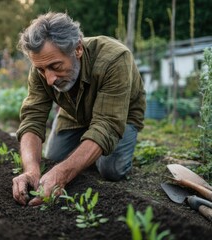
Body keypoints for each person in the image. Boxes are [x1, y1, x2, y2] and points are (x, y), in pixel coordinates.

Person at [12, 12, 146, 206]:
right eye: (42, 70)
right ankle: (87, 151)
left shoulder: (115, 59)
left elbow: (106, 124)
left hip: (119, 115)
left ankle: (94, 152)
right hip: (74, 114)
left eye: (55, 66)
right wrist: (31, 170)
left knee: (111, 169)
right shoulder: (42, 65)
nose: (49, 79)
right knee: (53, 159)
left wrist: (63, 173)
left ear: (78, 49)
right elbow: (32, 118)